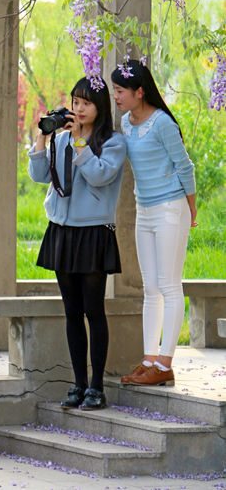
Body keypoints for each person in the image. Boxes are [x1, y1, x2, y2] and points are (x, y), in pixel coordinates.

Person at [28, 77, 126, 411]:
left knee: (93, 310)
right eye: (75, 102)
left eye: (86, 103)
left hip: (93, 231)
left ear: (100, 107)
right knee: (71, 313)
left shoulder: (113, 142)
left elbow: (100, 176)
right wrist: (42, 140)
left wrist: (80, 144)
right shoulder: (63, 139)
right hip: (62, 230)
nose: (79, 109)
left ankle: (97, 386)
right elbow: (41, 176)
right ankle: (78, 383)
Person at [111, 59, 197, 387]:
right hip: (144, 210)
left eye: (121, 90)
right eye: (115, 90)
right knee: (150, 288)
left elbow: (184, 167)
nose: (116, 96)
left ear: (139, 92)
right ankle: (149, 360)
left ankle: (165, 362)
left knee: (169, 284)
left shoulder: (162, 123)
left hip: (171, 208)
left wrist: (191, 210)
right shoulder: (126, 123)